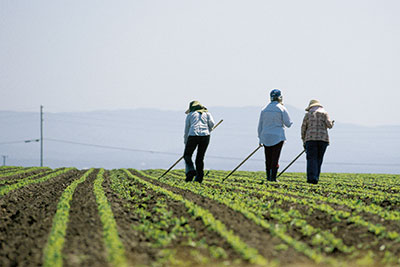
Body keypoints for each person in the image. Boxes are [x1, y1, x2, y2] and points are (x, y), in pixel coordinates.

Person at [258, 89, 293, 182]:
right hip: (278, 136)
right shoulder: (281, 108)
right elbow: (288, 124)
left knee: (268, 157)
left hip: (265, 136)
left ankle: (268, 177)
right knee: (275, 158)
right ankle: (273, 178)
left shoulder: (264, 109)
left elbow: (260, 125)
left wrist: (260, 139)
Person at [301, 99, 334, 184]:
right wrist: (332, 123)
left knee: (311, 159)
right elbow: (329, 125)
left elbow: (303, 128)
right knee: (319, 159)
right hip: (322, 140)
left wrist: (303, 139)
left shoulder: (308, 115)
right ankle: (316, 178)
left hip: (310, 139)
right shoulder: (324, 114)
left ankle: (311, 178)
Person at [183, 100, 215, 183]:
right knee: (200, 158)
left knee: (187, 155)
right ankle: (199, 178)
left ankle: (190, 171)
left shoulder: (190, 115)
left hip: (193, 135)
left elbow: (187, 128)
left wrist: (186, 141)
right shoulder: (207, 114)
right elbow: (212, 124)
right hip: (205, 136)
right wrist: (208, 130)